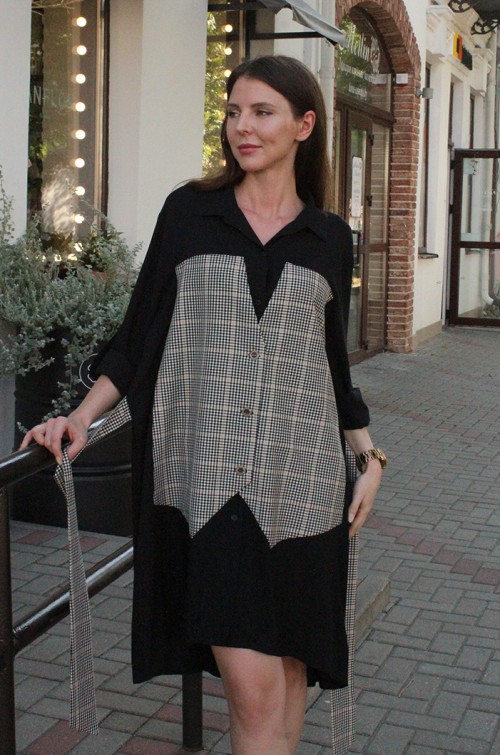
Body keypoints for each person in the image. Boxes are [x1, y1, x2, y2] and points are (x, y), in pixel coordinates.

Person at [21, 55, 384, 755]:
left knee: (289, 676)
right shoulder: (189, 214)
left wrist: (370, 459)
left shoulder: (330, 237)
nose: (242, 126)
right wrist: (81, 416)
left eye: (262, 112)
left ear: (304, 125)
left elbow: (333, 368)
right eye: (233, 111)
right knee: (254, 690)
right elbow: (137, 338)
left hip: (306, 488)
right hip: (208, 488)